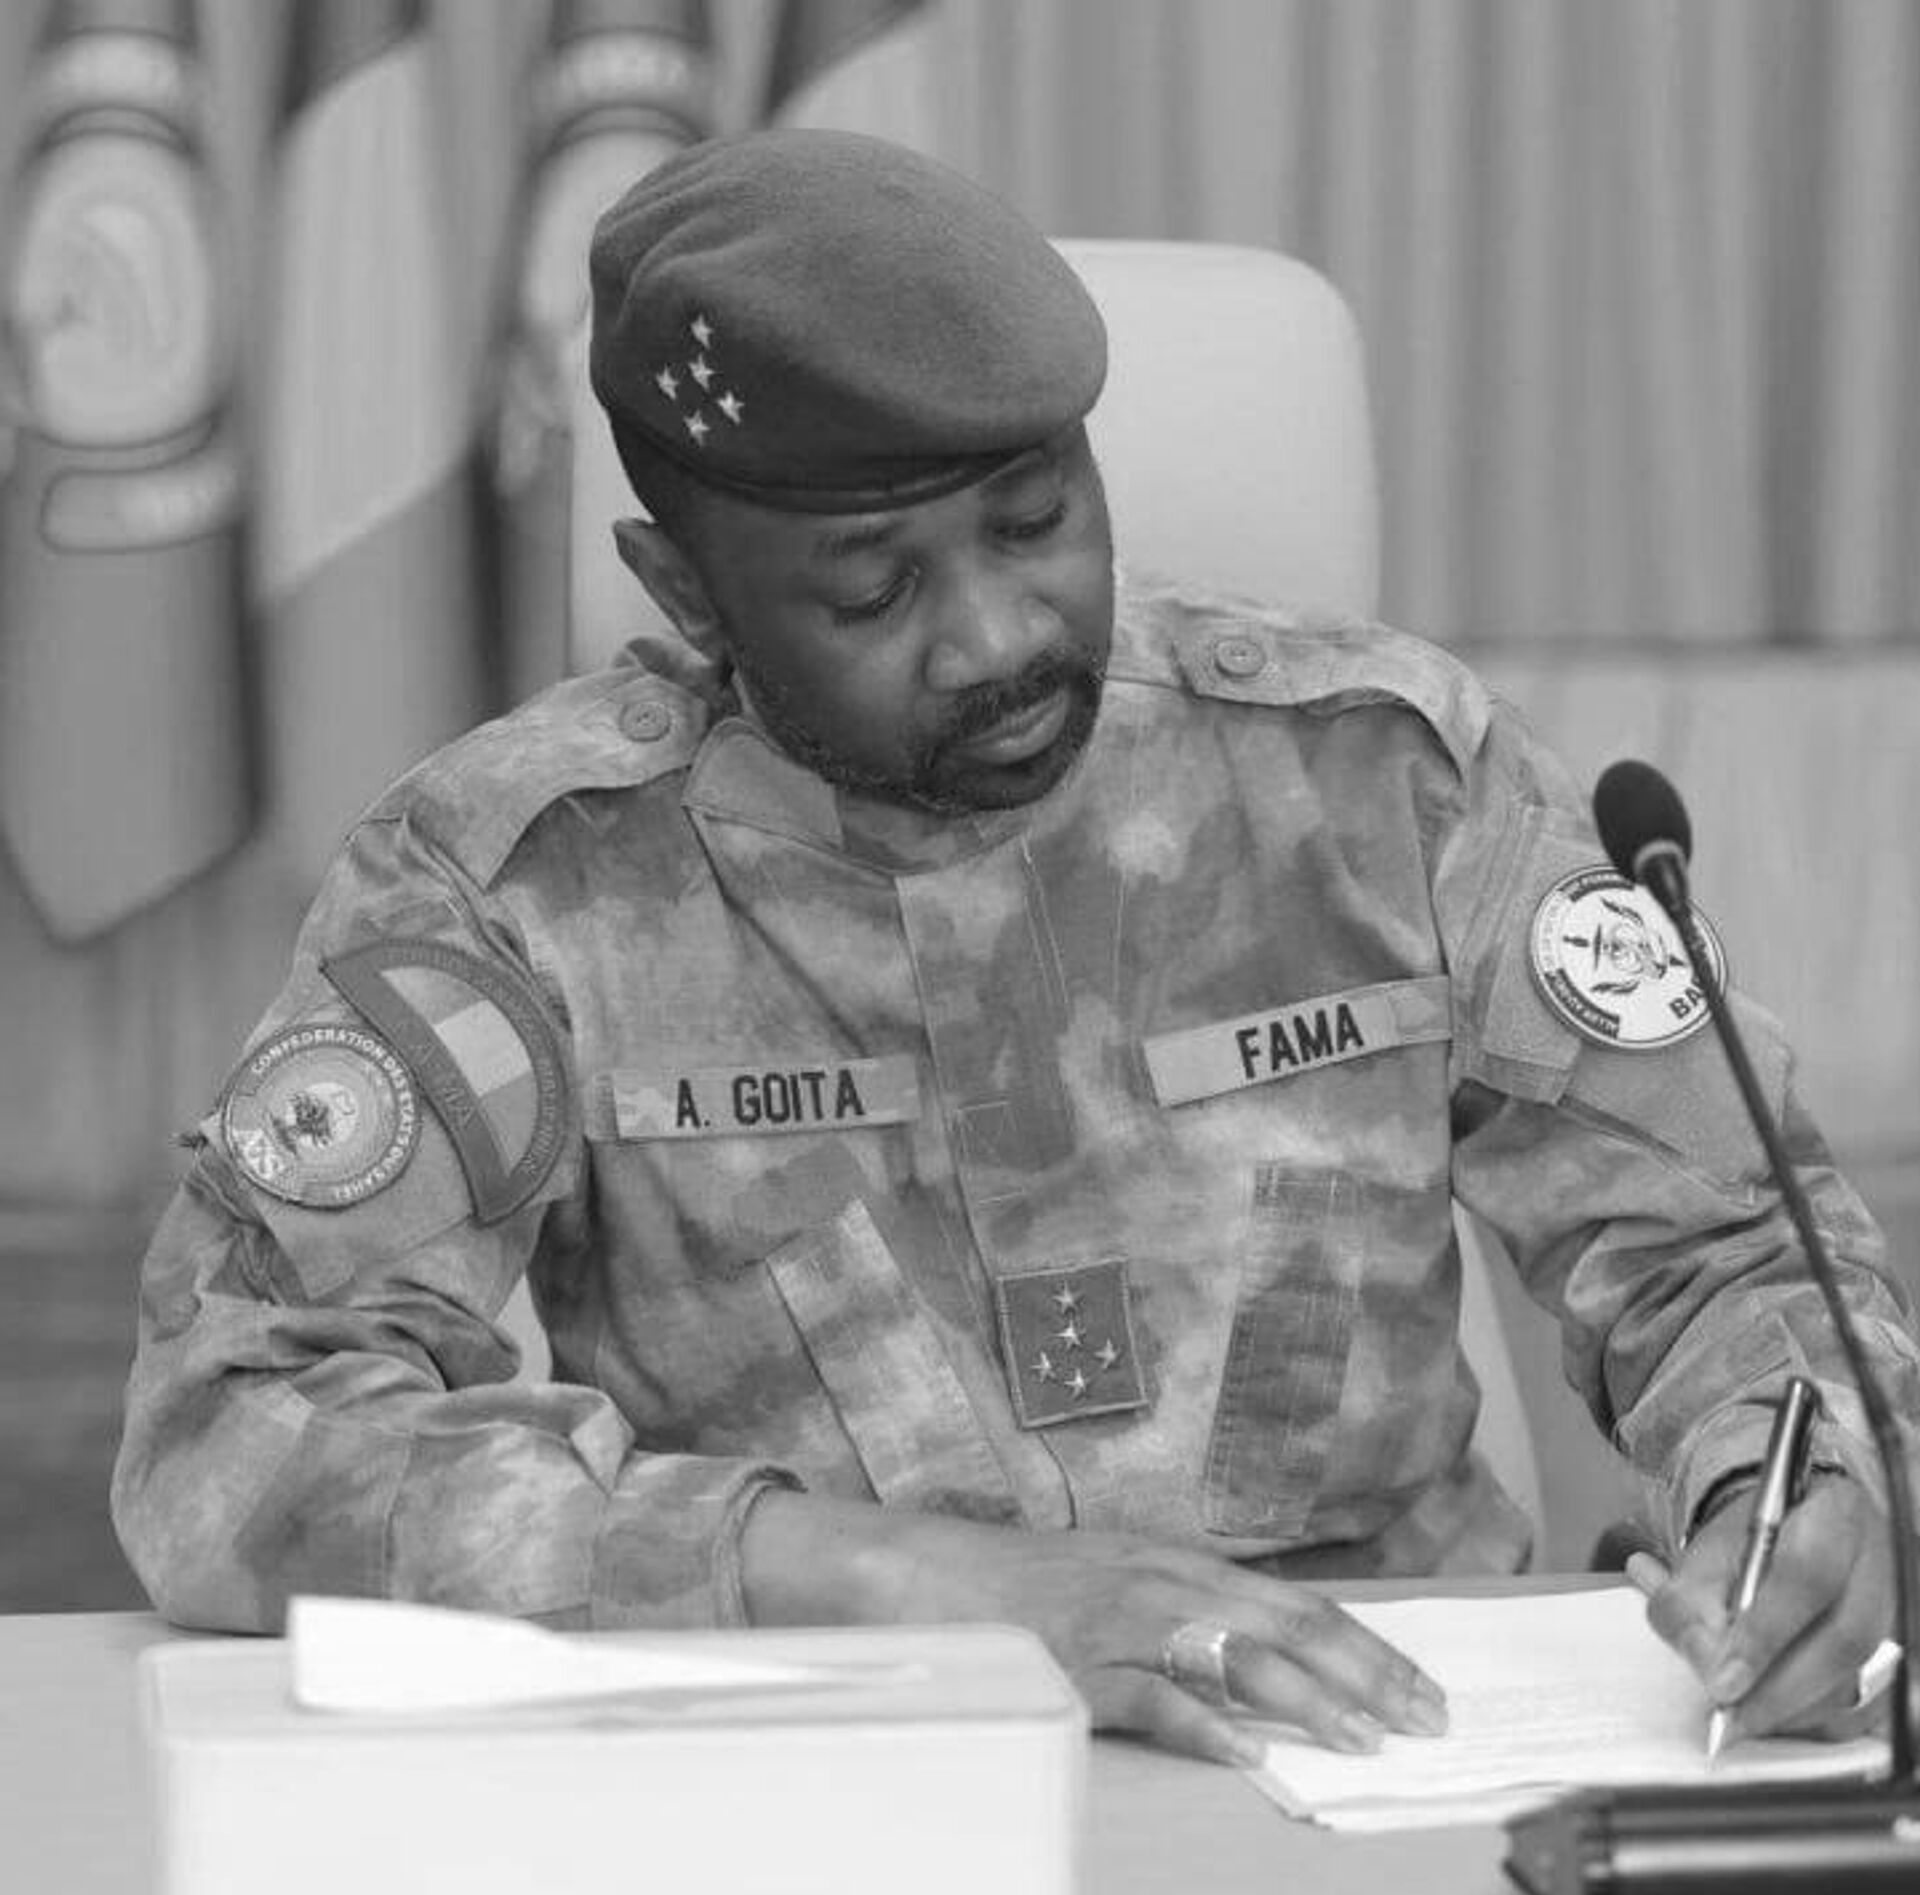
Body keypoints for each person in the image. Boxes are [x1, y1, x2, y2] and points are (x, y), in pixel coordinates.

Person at [114, 128, 1917, 1770]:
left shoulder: (1382, 778)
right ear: (685, 592)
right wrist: (908, 1583)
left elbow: (1729, 1250)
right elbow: (230, 1432)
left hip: (1400, 1752)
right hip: (851, 1775)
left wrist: (1808, 1480)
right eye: (874, 588)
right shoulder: (522, 879)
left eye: (1036, 522)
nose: (996, 636)